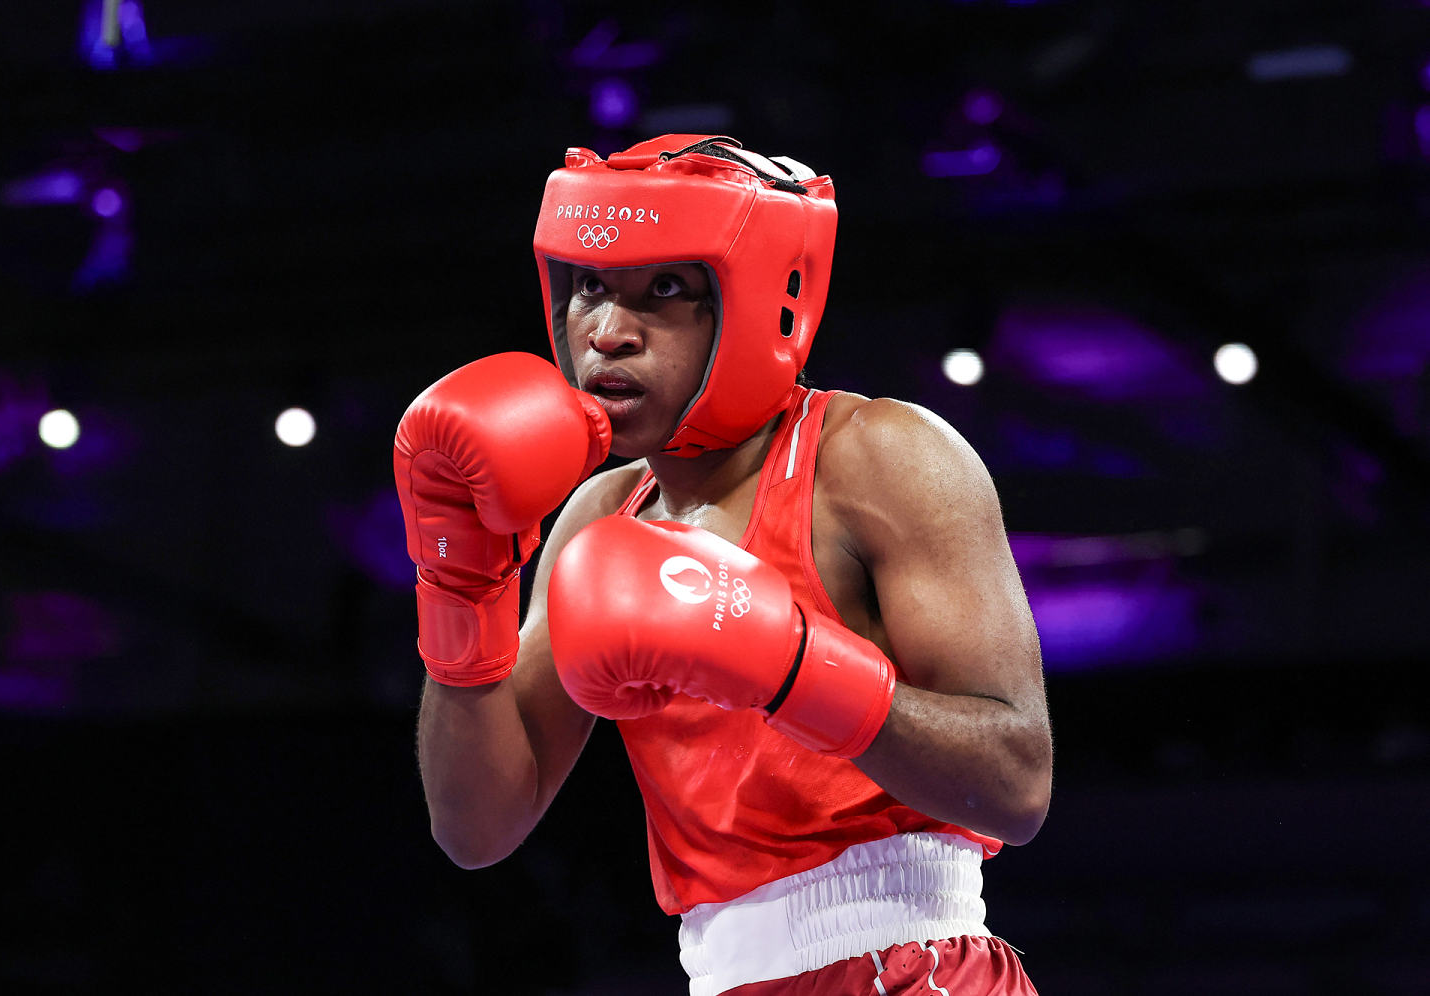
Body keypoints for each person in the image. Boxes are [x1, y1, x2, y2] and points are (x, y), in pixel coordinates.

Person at [395, 135, 1053, 995]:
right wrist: (463, 583)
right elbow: (475, 829)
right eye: (591, 285)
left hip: (909, 963)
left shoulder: (878, 458)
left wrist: (789, 665)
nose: (609, 333)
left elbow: (1016, 783)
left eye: (665, 289)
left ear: (758, 303)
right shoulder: (598, 514)